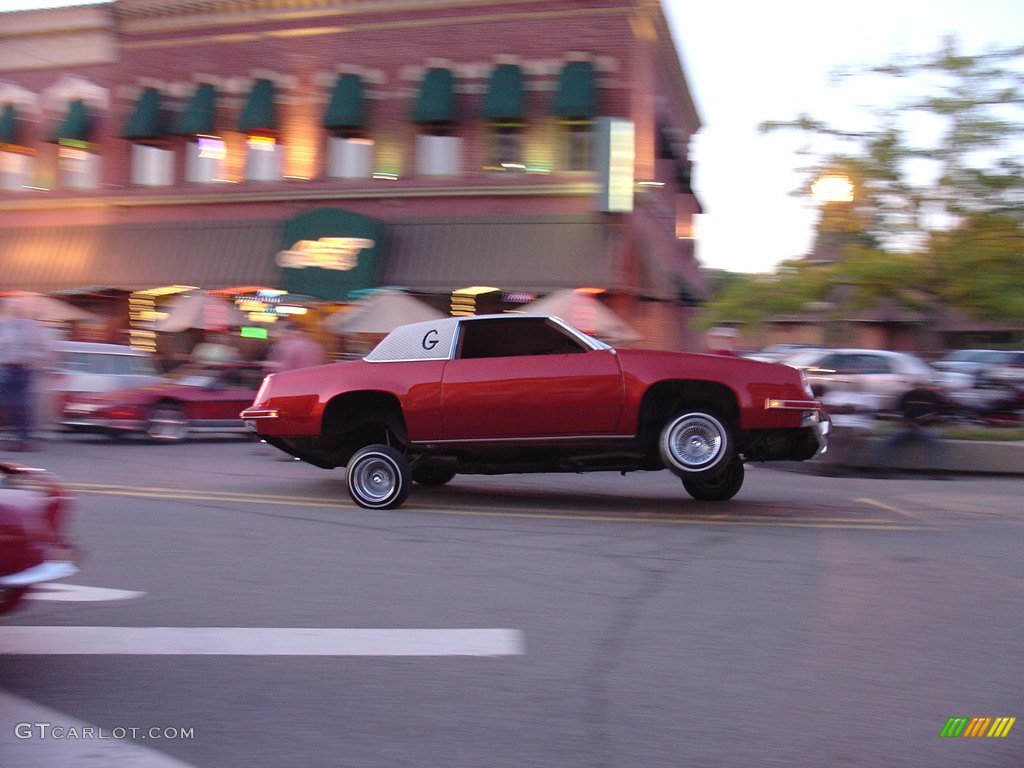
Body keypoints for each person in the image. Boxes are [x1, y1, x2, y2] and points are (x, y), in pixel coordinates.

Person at [0, 299, 57, 451]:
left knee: (19, 405)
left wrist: (36, 362)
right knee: (13, 405)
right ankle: (20, 437)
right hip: (9, 369)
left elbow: (47, 349)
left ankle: (23, 439)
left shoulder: (28, 328)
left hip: (21, 370)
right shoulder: (8, 326)